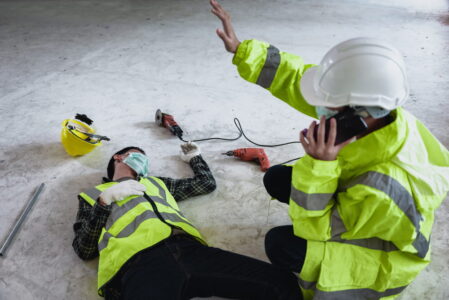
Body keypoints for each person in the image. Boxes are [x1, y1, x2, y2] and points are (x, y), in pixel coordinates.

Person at [210, 0, 449, 299]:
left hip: (381, 261)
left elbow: (316, 228)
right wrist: (244, 51)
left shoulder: (384, 187)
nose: (320, 109)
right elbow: (300, 81)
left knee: (280, 244)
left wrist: (320, 165)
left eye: (329, 106)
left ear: (356, 113)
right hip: (363, 203)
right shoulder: (382, 114)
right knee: (277, 179)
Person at [72, 142, 302, 300]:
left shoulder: (155, 183)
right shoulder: (93, 195)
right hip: (138, 266)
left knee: (282, 284)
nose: (143, 160)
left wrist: (195, 158)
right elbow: (84, 248)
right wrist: (104, 201)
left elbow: (205, 184)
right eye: (137, 154)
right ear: (119, 157)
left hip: (191, 252)